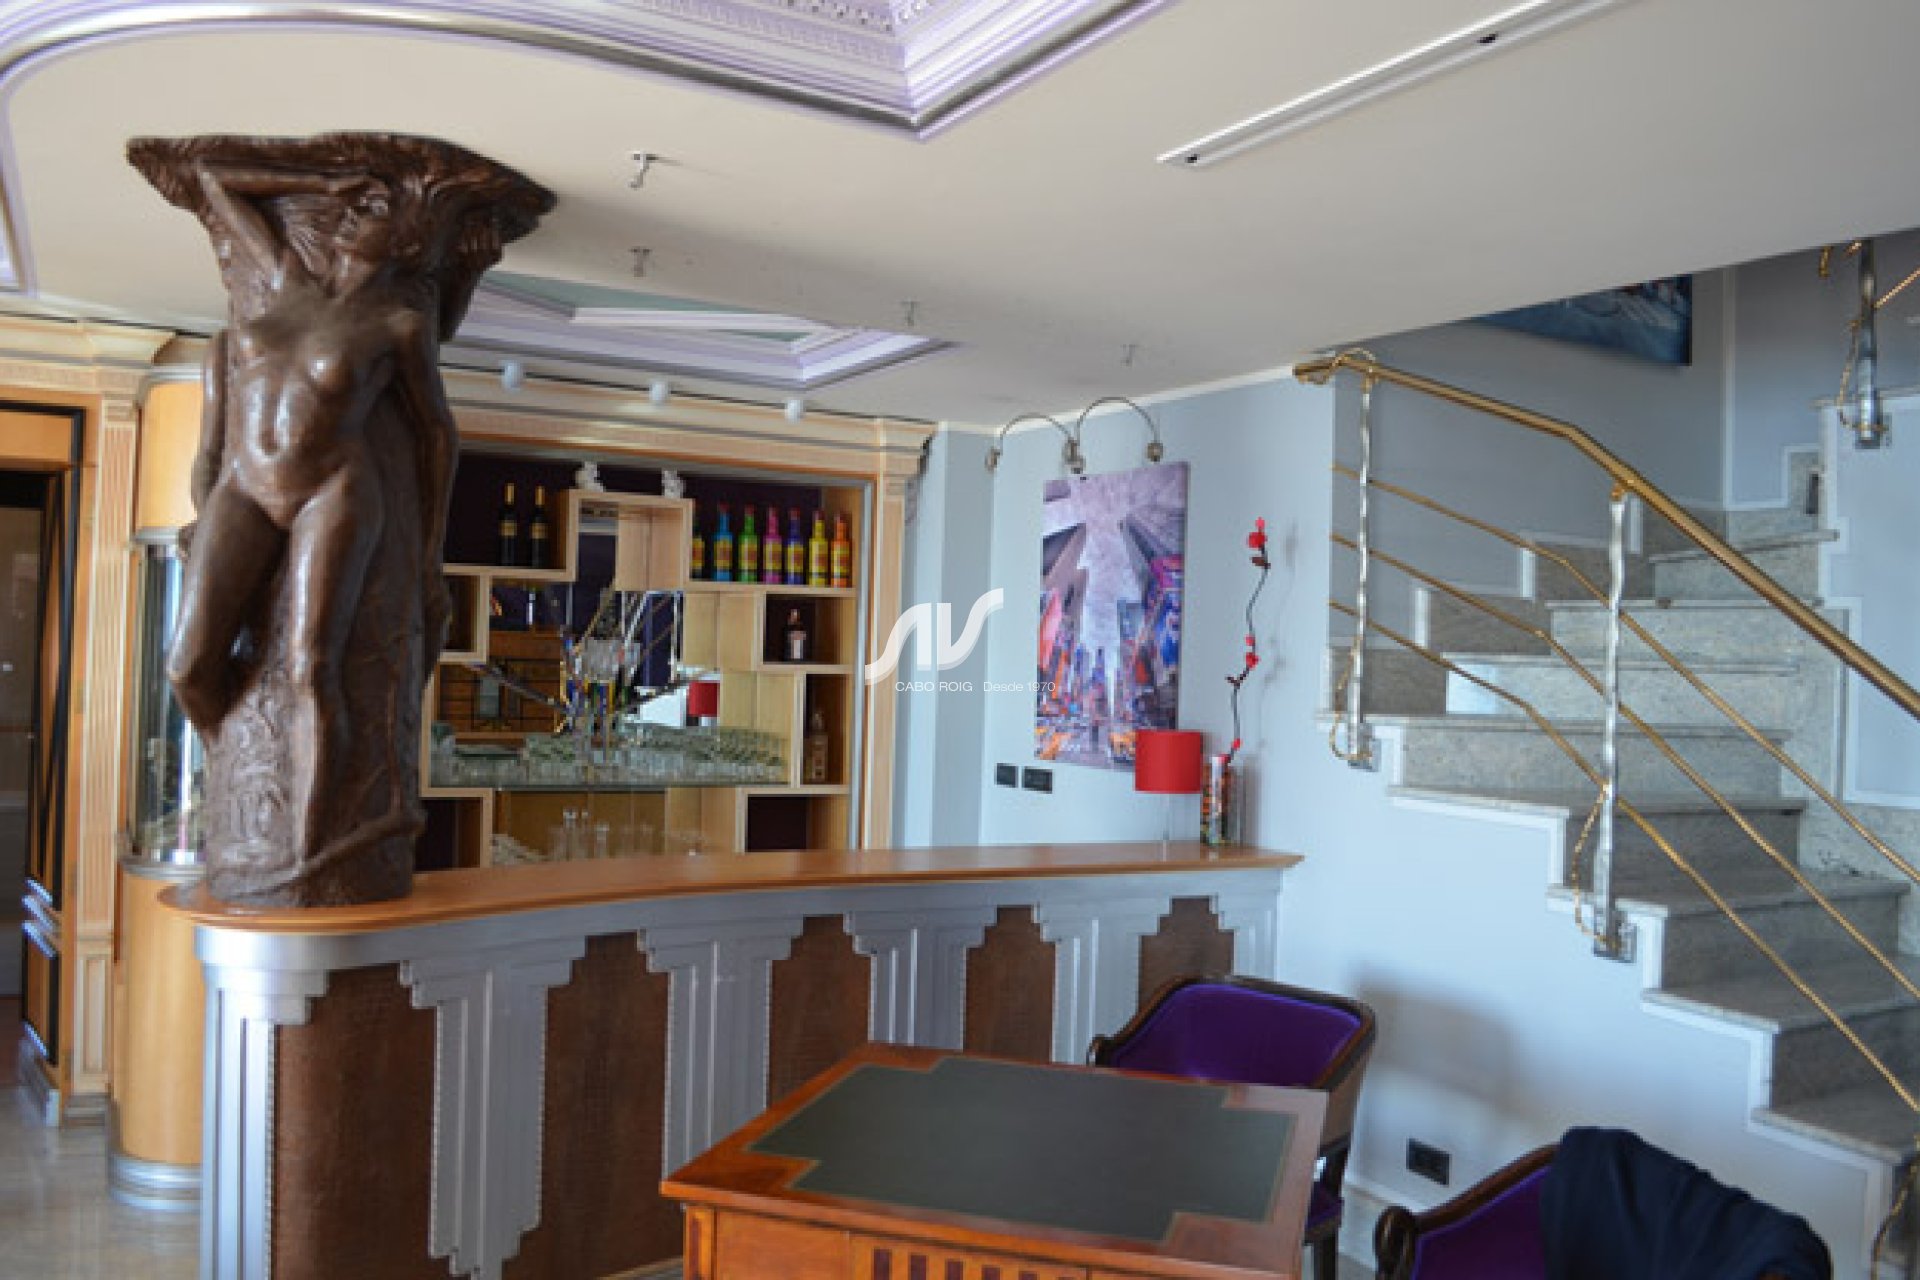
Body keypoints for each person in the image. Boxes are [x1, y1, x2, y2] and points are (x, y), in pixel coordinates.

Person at [128, 134, 551, 886]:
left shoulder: (399, 324)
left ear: (407, 245)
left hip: (333, 489)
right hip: (246, 488)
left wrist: (428, 548)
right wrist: (330, 180)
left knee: (311, 666)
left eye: (377, 211)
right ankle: (234, 768)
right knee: (188, 665)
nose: (356, 216)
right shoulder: (286, 278)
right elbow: (214, 178)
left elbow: (435, 435)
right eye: (358, 208)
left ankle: (309, 846)